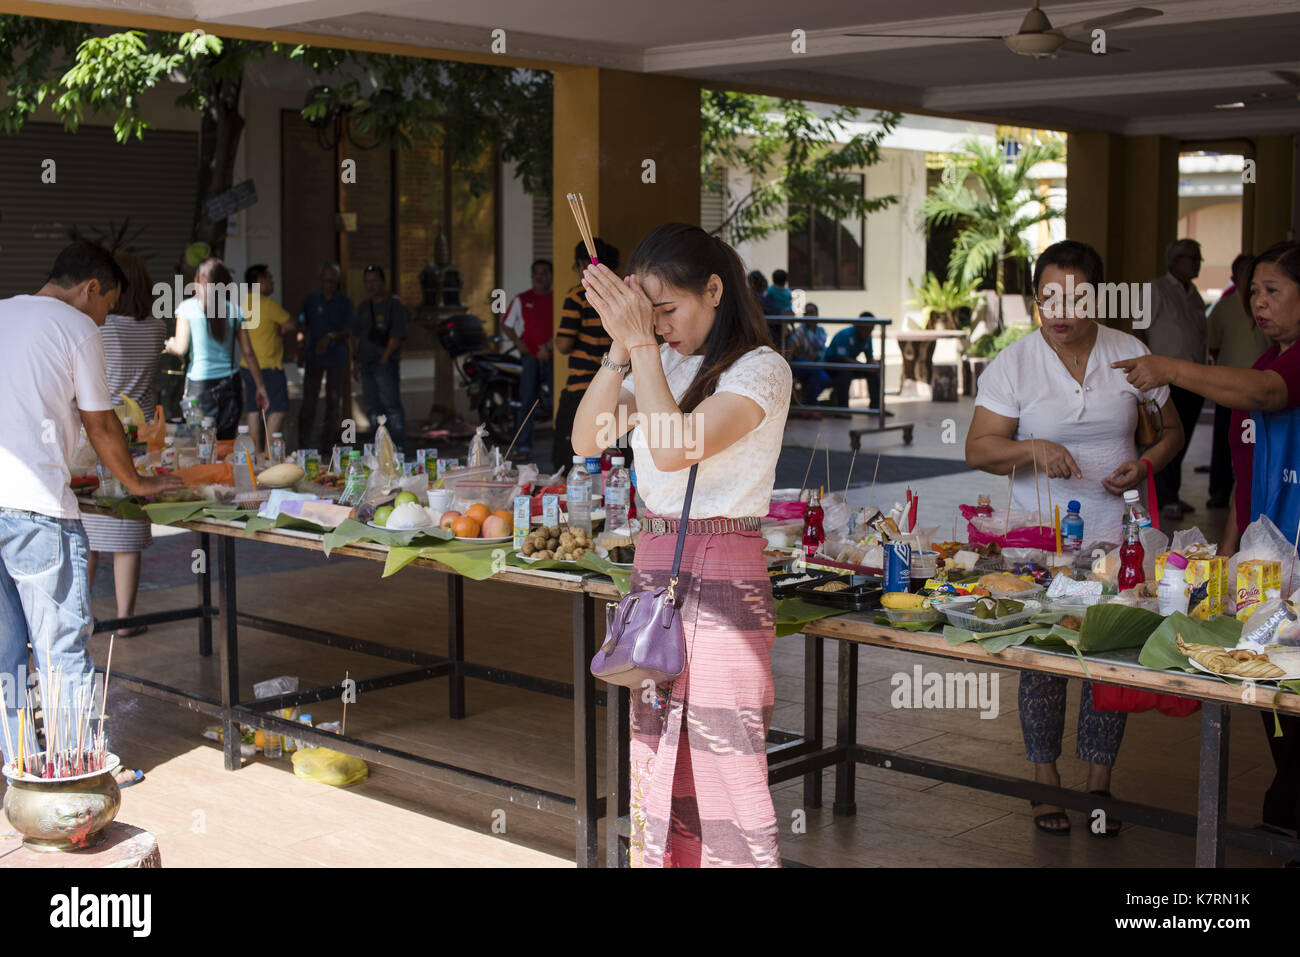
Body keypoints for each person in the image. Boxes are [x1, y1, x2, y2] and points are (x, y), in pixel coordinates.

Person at [572, 222, 790, 868]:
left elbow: (674, 448)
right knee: (657, 748)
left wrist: (640, 345)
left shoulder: (761, 369)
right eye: (650, 311)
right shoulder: (655, 359)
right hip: (654, 565)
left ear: (714, 290)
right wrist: (620, 349)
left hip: (726, 567)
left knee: (727, 754)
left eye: (667, 309)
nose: (659, 325)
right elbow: (587, 439)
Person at [965, 239, 1185, 836]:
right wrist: (1034, 447)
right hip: (1040, 542)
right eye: (1047, 299)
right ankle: (1044, 780)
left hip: (1118, 538)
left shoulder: (1129, 353)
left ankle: (1099, 786)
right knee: (1043, 656)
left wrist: (1146, 465)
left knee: (1107, 657)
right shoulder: (1014, 363)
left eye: (1074, 297)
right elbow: (978, 447)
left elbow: (1170, 430)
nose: (1059, 312)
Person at [1115, 241, 1300, 844]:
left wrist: (1168, 368)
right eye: (1254, 291)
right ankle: (1287, 815)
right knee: (1276, 698)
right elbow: (1245, 491)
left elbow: (1267, 394)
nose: (1258, 301)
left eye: (1273, 290)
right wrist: (1224, 562)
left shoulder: (1280, 371)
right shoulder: (1270, 359)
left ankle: (1286, 814)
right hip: (1266, 575)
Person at [0, 241, 181, 783]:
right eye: (107, 306)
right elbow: (102, 424)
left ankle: (16, 761)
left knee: (6, 650)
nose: (105, 319)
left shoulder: (4, 312)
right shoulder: (75, 326)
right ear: (91, 288)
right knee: (61, 645)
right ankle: (79, 770)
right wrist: (136, 483)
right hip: (35, 510)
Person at [82, 252, 167, 639]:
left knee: (90, 532)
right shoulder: (156, 326)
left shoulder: (102, 326)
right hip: (143, 433)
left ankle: (80, 615)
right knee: (127, 531)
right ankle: (125, 620)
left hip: (103, 429)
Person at [165, 257, 268, 439]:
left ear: (198, 280)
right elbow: (249, 353)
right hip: (230, 385)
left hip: (199, 387)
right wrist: (260, 386)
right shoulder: (235, 311)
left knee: (200, 445)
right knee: (225, 445)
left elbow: (180, 348)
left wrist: (170, 344)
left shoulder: (187, 308)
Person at [1145, 238, 1207, 521]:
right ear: (1174, 260)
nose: (1197, 263)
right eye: (1190, 257)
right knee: (1165, 436)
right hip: (1164, 378)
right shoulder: (1155, 290)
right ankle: (1165, 498)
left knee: (1182, 438)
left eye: (1198, 257)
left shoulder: (1194, 294)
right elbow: (1139, 331)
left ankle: (1173, 494)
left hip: (1193, 376)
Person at [1205, 252, 1270, 509]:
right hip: (1230, 386)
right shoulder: (1224, 306)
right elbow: (1214, 347)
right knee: (1224, 440)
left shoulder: (1267, 305)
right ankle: (1219, 491)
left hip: (1265, 384)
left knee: (1258, 445)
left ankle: (1257, 494)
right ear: (1234, 278)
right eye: (1244, 274)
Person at [553, 238, 619, 473]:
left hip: (581, 388)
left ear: (584, 264)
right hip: (616, 386)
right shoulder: (621, 294)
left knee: (570, 459)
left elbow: (563, 344)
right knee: (611, 458)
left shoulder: (579, 295)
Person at [296, 261, 354, 452]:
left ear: (337, 282)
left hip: (337, 357)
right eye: (326, 281)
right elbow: (302, 326)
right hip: (314, 357)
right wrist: (300, 348)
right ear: (320, 281)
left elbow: (349, 329)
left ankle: (327, 446)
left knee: (333, 401)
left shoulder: (344, 302)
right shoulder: (311, 300)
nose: (329, 284)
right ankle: (303, 444)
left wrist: (331, 337)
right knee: (309, 401)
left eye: (333, 281)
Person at [502, 259, 554, 459]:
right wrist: (518, 342)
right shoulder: (521, 299)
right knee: (527, 403)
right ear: (532, 276)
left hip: (553, 358)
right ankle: (523, 447)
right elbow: (506, 324)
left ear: (551, 276)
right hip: (530, 358)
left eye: (544, 272)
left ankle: (561, 446)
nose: (540, 276)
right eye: (536, 273)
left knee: (558, 403)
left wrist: (548, 347)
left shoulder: (557, 299)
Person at [240, 264, 296, 449]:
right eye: (269, 278)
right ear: (259, 281)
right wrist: (280, 330)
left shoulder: (240, 303)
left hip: (247, 365)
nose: (272, 282)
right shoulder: (267, 304)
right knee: (277, 409)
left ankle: (254, 454)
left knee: (253, 409)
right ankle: (269, 452)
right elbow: (290, 324)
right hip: (268, 366)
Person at [354, 265, 408, 449]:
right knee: (372, 407)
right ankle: (379, 448)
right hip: (366, 363)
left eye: (374, 281)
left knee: (391, 405)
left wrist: (385, 357)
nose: (371, 285)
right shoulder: (363, 306)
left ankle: (397, 447)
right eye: (367, 281)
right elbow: (358, 336)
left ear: (383, 282)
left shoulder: (394, 305)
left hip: (385, 363)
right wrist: (355, 362)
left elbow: (398, 334)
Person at [822, 312, 883, 415]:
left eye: (871, 329)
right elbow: (843, 359)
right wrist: (865, 366)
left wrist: (874, 365)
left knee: (875, 373)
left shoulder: (868, 337)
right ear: (858, 325)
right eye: (866, 329)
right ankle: (843, 410)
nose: (868, 333)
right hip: (832, 366)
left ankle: (876, 408)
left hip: (851, 366)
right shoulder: (845, 335)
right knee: (845, 371)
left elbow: (869, 358)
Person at [787, 303, 828, 417]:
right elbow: (792, 348)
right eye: (806, 313)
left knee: (825, 379)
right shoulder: (800, 331)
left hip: (815, 365)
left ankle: (805, 403)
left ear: (817, 315)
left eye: (812, 312)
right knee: (815, 371)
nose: (809, 315)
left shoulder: (821, 331)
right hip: (799, 363)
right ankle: (813, 406)